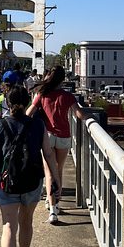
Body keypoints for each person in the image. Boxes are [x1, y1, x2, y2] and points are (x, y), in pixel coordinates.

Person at [0, 84, 59, 247]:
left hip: (7, 182)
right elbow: (48, 154)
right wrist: (56, 180)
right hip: (32, 180)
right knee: (26, 221)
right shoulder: (38, 124)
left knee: (9, 226)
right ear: (29, 101)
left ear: (7, 103)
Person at [27, 65, 81, 224]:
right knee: (59, 170)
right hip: (64, 136)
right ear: (63, 79)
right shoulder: (67, 96)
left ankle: (52, 211)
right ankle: (56, 205)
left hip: (47, 137)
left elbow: (29, 113)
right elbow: (79, 114)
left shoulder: (42, 94)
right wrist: (91, 119)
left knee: (49, 172)